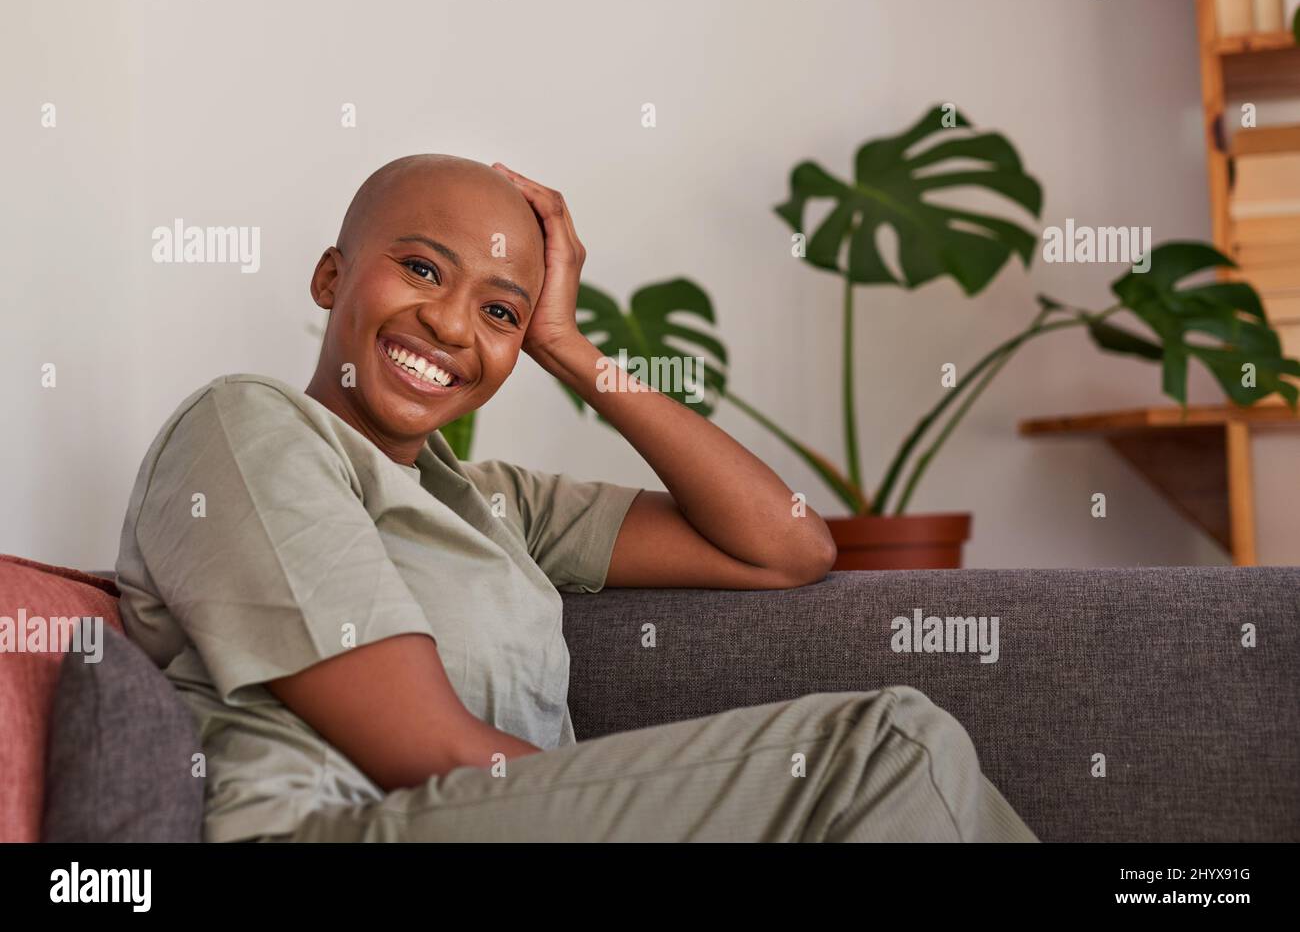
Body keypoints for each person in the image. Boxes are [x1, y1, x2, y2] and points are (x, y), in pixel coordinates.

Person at [114, 154, 1038, 843]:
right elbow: (420, 748)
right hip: (332, 827)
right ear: (330, 276)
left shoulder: (491, 500)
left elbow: (789, 547)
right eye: (424, 269)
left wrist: (570, 346)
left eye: (500, 312)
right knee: (886, 749)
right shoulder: (247, 427)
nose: (448, 323)